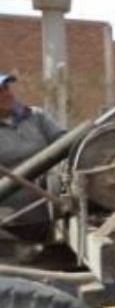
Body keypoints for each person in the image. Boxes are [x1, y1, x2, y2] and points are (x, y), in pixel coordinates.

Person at [0, 72, 65, 242]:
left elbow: (65, 143)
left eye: (6, 88)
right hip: (10, 221)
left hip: (50, 211)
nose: (6, 94)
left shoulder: (35, 116)